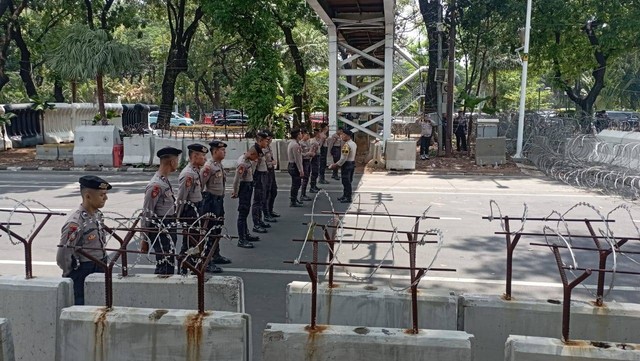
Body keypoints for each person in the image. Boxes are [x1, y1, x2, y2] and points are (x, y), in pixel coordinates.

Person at [56, 175, 111, 305]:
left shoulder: (97, 215)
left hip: (100, 265)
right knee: (83, 305)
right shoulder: (75, 223)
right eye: (102, 194)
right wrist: (73, 273)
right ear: (88, 196)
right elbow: (63, 256)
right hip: (84, 271)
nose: (106, 198)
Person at [176, 144, 220, 273]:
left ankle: (192, 265)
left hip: (197, 209)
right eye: (202, 156)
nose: (205, 159)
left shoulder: (195, 171)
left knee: (196, 240)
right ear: (194, 156)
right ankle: (185, 266)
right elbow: (182, 197)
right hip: (190, 211)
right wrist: (178, 216)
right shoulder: (188, 174)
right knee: (190, 241)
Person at [142, 146, 181, 274]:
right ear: (172, 162)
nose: (178, 163)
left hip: (168, 225)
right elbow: (147, 212)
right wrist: (144, 238)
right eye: (177, 160)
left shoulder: (164, 181)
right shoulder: (156, 185)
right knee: (164, 264)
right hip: (161, 227)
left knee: (169, 261)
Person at [200, 140, 232, 269]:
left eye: (224, 150)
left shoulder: (219, 165)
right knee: (210, 230)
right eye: (221, 150)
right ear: (214, 152)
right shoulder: (209, 167)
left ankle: (216, 254)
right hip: (210, 200)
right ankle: (207, 260)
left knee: (217, 228)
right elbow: (201, 185)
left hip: (219, 200)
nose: (224, 152)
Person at [232, 147, 260, 248]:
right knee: (243, 213)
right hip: (244, 188)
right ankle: (241, 239)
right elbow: (236, 179)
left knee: (246, 212)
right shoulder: (242, 163)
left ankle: (246, 234)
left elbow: (251, 171)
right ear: (252, 154)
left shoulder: (248, 160)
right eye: (256, 156)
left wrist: (255, 162)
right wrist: (235, 192)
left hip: (248, 185)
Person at [329, 129, 357, 203]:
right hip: (352, 163)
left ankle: (348, 197)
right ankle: (345, 195)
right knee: (348, 181)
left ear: (348, 136)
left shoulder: (346, 145)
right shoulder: (353, 143)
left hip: (347, 164)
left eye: (344, 135)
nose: (342, 136)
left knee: (346, 182)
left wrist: (336, 165)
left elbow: (343, 158)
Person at [251, 131, 270, 233]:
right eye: (265, 141)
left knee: (262, 199)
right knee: (257, 201)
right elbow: (253, 167)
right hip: (258, 177)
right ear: (260, 141)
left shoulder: (260, 150)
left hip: (263, 176)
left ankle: (259, 220)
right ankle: (256, 223)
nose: (267, 143)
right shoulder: (254, 151)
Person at [262, 130, 280, 222]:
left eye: (270, 139)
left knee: (273, 191)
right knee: (266, 193)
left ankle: (270, 210)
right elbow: (262, 162)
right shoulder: (262, 148)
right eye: (268, 139)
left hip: (271, 171)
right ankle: (266, 214)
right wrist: (271, 163)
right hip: (266, 171)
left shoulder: (269, 147)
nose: (269, 140)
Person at [287, 128, 304, 207]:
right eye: (300, 134)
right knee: (296, 184)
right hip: (294, 166)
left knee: (296, 183)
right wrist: (301, 170)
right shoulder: (295, 145)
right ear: (297, 135)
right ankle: (293, 200)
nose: (301, 135)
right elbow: (297, 159)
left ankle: (294, 198)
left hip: (292, 165)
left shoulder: (294, 143)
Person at [299, 129, 313, 201]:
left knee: (307, 177)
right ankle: (302, 194)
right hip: (304, 161)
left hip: (308, 160)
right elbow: (300, 154)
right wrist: (307, 154)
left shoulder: (308, 142)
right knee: (305, 178)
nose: (308, 136)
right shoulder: (300, 143)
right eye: (306, 135)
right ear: (303, 135)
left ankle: (304, 193)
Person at [308, 128, 322, 193]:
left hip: (318, 156)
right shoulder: (313, 141)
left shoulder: (318, 140)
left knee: (316, 172)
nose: (320, 134)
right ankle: (312, 187)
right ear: (317, 133)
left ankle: (314, 185)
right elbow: (312, 150)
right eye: (319, 133)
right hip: (314, 157)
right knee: (314, 171)